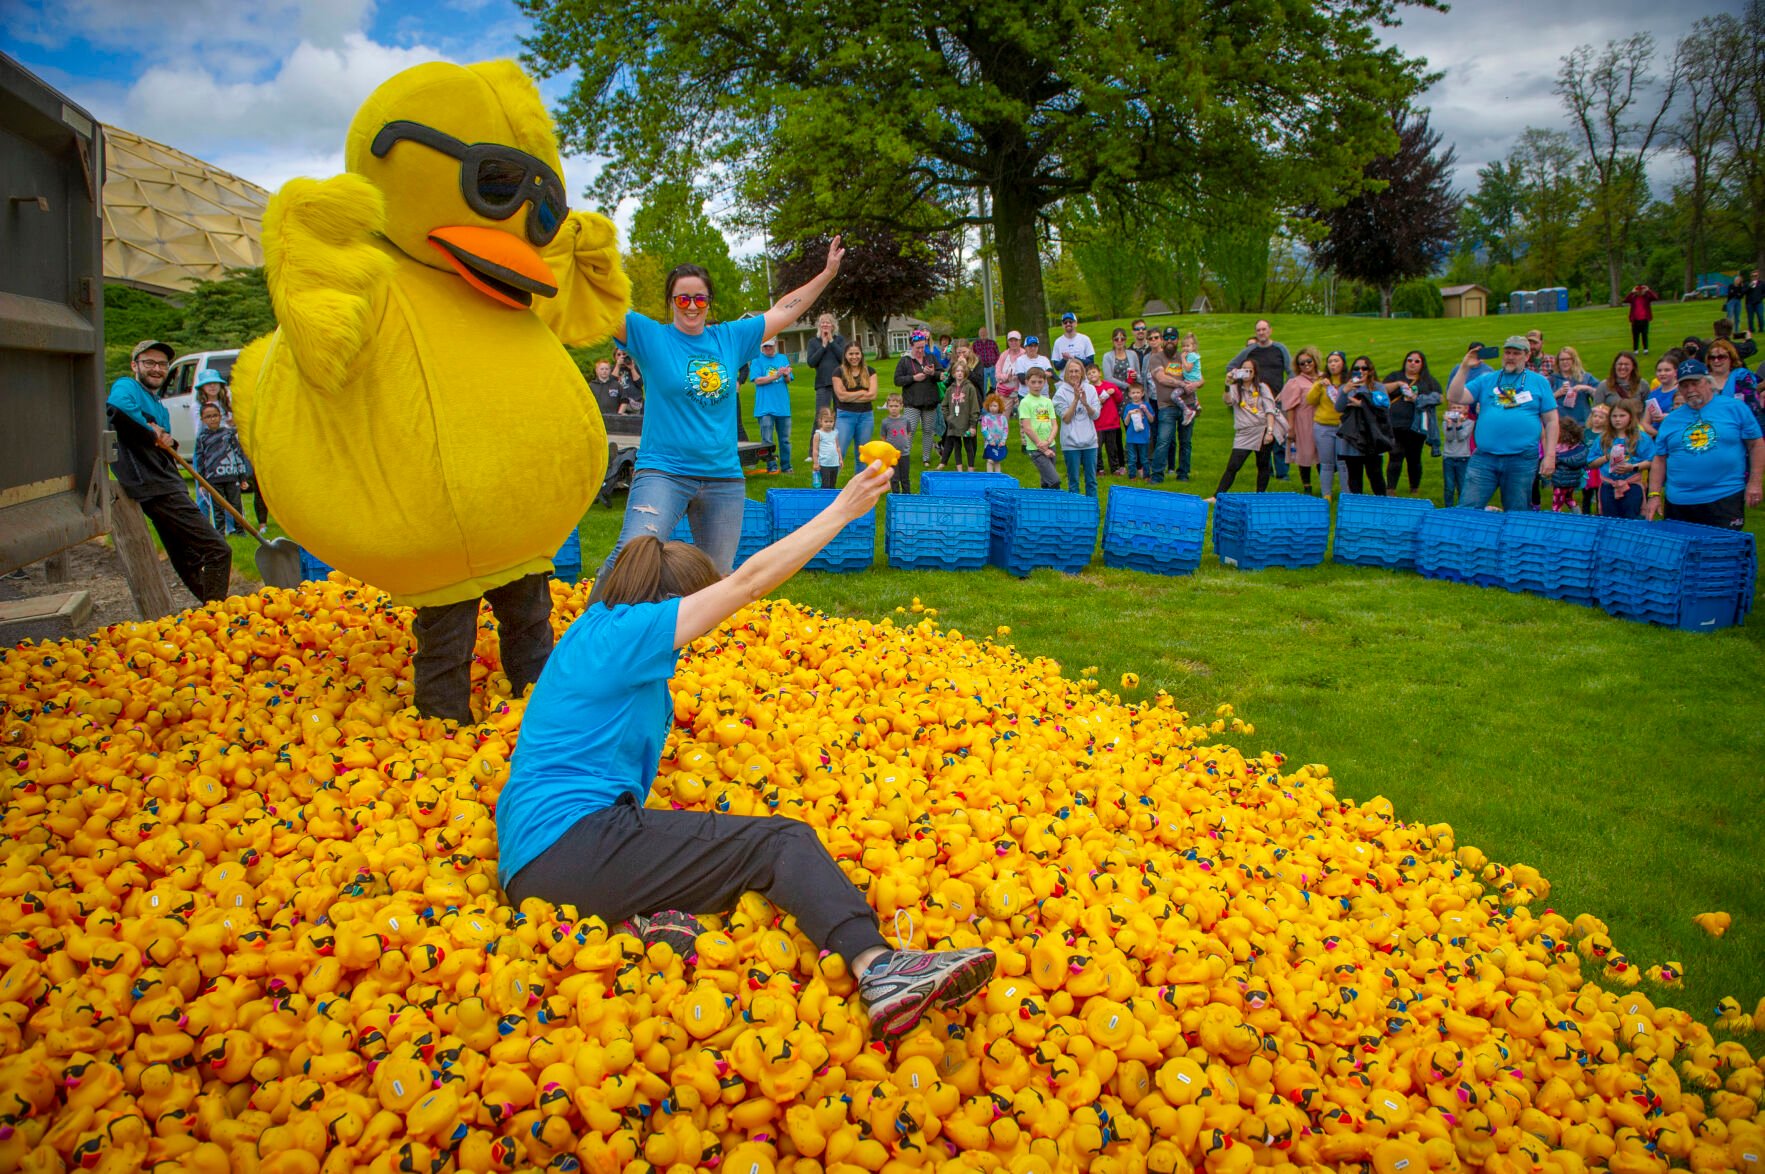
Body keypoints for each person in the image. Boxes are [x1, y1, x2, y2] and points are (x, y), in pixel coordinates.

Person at [498, 467, 997, 1041]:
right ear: (666, 603)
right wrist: (842, 511)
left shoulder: (596, 639)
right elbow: (747, 584)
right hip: (573, 843)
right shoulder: (624, 632)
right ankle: (878, 968)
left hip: (537, 865)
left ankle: (642, 922)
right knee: (783, 841)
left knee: (724, 856)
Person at [594, 240, 845, 587]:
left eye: (700, 299)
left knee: (713, 580)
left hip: (722, 478)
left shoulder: (730, 337)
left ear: (709, 302)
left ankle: (681, 637)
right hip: (664, 472)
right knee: (631, 557)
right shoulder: (650, 335)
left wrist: (827, 274)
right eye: (683, 299)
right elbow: (601, 306)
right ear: (671, 302)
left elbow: (785, 310)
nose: (692, 306)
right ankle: (591, 631)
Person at [106, 340, 233, 603]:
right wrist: (151, 430)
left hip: (168, 482)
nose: (156, 369)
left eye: (162, 364)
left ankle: (210, 614)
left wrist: (168, 438)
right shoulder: (127, 386)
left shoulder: (159, 404)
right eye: (149, 363)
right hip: (154, 486)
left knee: (189, 558)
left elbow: (164, 440)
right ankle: (218, 615)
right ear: (135, 366)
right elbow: (117, 406)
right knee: (218, 550)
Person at [1645, 358, 1764, 529]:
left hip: (1724, 496)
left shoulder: (1734, 408)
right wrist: (1654, 494)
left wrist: (1755, 482)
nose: (1690, 390)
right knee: (1684, 553)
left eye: (1695, 383)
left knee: (1722, 551)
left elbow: (1756, 445)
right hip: (1679, 500)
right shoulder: (1671, 420)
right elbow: (1659, 459)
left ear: (1708, 382)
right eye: (1685, 385)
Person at [1447, 335, 1560, 512]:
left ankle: (1512, 540)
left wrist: (1550, 455)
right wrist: (1464, 367)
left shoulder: (1539, 382)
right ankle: (1466, 539)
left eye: (1516, 353)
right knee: (1468, 508)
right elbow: (1454, 396)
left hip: (1521, 458)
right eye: (1507, 352)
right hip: (1485, 457)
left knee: (1516, 510)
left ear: (1527, 356)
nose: (1510, 357)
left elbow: (1552, 420)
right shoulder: (1487, 379)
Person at [1213, 361, 1287, 497]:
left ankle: (1260, 496)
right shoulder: (1235, 388)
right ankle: (1217, 495)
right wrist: (1227, 384)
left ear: (1255, 373)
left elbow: (1270, 410)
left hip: (1262, 429)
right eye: (1244, 370)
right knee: (1233, 465)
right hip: (1244, 431)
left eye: (1250, 371)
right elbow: (1228, 401)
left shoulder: (1262, 387)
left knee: (1263, 464)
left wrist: (1270, 432)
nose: (1246, 373)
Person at [1145, 328, 1197, 483]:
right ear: (1162, 339)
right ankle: (1157, 475)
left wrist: (1196, 387)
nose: (1169, 340)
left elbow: (1196, 377)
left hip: (1188, 405)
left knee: (1185, 442)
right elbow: (1161, 378)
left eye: (1172, 337)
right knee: (1163, 440)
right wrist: (1181, 383)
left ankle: (1183, 474)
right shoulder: (1156, 358)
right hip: (1167, 405)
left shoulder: (1185, 357)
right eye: (1166, 337)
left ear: (1177, 340)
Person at [1384, 350, 1439, 495]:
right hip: (1395, 424)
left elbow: (1438, 398)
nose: (1412, 364)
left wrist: (1417, 398)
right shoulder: (1395, 376)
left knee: (1414, 458)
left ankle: (1414, 488)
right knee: (1395, 455)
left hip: (1416, 426)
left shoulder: (1427, 381)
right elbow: (1380, 391)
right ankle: (1390, 489)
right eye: (1410, 360)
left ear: (1422, 364)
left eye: (1417, 361)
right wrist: (1397, 384)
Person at [1334, 356, 1391, 496]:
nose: (1361, 371)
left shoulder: (1378, 387)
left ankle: (1381, 505)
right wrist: (1345, 391)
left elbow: (1385, 407)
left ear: (1370, 370)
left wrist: (1362, 404)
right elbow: (1338, 408)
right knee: (1354, 477)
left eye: (1364, 368)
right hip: (1351, 438)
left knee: (1376, 475)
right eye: (1356, 368)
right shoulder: (1346, 387)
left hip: (1372, 436)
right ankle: (1356, 507)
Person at [1589, 399, 1653, 519]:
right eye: (1614, 416)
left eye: (1622, 415)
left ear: (1631, 417)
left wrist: (1633, 467)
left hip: (1631, 485)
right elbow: (1591, 463)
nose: (1617, 419)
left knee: (1631, 519)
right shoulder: (1603, 438)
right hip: (1608, 486)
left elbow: (1651, 461)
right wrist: (1607, 457)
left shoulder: (1640, 438)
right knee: (1609, 519)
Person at [194, 401, 251, 535]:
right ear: (202, 419)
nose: (212, 418)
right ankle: (219, 532)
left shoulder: (229, 434)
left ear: (221, 416)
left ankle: (240, 530)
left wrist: (242, 476)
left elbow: (238, 454)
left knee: (236, 505)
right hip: (213, 478)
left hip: (231, 475)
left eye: (215, 415)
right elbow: (200, 460)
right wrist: (202, 482)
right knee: (217, 507)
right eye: (208, 416)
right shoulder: (202, 438)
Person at [893, 330, 942, 471]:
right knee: (910, 429)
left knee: (928, 430)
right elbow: (897, 380)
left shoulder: (931, 357)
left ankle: (926, 458)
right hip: (912, 402)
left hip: (930, 401)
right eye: (918, 348)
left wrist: (933, 373)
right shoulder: (905, 360)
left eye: (923, 347)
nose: (921, 350)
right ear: (911, 345)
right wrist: (913, 378)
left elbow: (942, 374)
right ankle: (904, 456)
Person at [1053, 358, 1101, 497]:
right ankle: (1076, 512)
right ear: (1066, 373)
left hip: (1090, 442)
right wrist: (1075, 399)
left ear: (1082, 373)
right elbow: (1066, 418)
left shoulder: (1090, 389)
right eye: (1071, 371)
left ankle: (1092, 510)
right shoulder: (1060, 393)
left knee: (1091, 480)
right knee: (1074, 481)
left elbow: (1096, 415)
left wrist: (1085, 403)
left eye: (1077, 371)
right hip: (1071, 443)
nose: (1074, 374)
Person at [1306, 351, 1349, 500]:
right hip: (1323, 426)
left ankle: (1346, 494)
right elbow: (1310, 400)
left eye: (1336, 361)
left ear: (1343, 363)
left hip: (1343, 426)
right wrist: (1318, 385)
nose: (1333, 364)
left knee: (1343, 462)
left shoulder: (1348, 381)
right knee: (1326, 462)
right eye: (1330, 361)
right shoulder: (1322, 381)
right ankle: (1326, 494)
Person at [832, 341, 878, 479]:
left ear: (861, 354)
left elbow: (873, 395)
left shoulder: (870, 371)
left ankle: (859, 487)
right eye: (850, 354)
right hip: (845, 416)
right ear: (845, 355)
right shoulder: (838, 372)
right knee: (839, 452)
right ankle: (829, 486)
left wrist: (850, 395)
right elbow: (841, 397)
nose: (854, 357)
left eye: (857, 353)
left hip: (866, 417)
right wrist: (862, 392)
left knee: (862, 455)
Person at [750, 337, 795, 475]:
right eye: (765, 347)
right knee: (767, 440)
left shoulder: (782, 358)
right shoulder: (756, 360)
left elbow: (788, 380)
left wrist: (786, 375)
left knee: (785, 440)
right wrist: (776, 375)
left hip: (782, 407)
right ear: (761, 347)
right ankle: (771, 466)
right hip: (765, 408)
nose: (768, 349)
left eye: (770, 346)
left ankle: (786, 466)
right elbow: (757, 380)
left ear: (775, 344)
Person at [1280, 346, 1321, 495]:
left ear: (1315, 361)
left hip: (1322, 420)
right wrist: (1291, 427)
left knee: (1323, 455)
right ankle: (1307, 486)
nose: (1306, 365)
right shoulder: (1295, 382)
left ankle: (1325, 487)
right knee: (1305, 454)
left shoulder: (1323, 378)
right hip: (1303, 421)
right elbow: (1290, 406)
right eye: (1301, 363)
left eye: (1308, 361)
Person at [1017, 367, 1061, 489]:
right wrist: (1041, 445)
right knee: (1054, 480)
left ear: (1045, 382)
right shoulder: (1025, 402)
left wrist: (1048, 441)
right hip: (1036, 447)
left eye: (1040, 382)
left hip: (1050, 445)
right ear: (1027, 382)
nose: (1037, 385)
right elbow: (1027, 428)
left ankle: (1045, 505)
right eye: (1033, 382)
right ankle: (1057, 503)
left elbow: (1054, 424)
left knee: (1046, 481)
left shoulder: (1047, 401)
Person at [937, 357, 979, 472]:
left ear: (965, 373)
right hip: (954, 423)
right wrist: (948, 418)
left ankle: (971, 468)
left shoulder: (970, 388)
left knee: (968, 446)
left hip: (966, 422)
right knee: (957, 446)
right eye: (957, 371)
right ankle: (959, 469)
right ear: (953, 373)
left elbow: (975, 407)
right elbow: (944, 405)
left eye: (961, 371)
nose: (959, 373)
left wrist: (973, 424)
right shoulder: (950, 389)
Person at [806, 313, 848, 416]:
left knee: (840, 414)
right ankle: (817, 433)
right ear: (819, 326)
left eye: (827, 322)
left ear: (832, 325)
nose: (825, 325)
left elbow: (844, 359)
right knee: (821, 415)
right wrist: (823, 346)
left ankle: (839, 432)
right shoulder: (813, 342)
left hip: (839, 382)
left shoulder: (839, 340)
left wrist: (831, 341)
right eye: (822, 322)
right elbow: (811, 362)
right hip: (822, 383)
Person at [1089, 362, 1125, 475]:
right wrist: (1100, 399)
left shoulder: (1109, 385)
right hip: (1097, 424)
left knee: (1112, 447)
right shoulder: (1090, 390)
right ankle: (1099, 469)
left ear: (1099, 373)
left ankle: (1115, 468)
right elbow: (1090, 405)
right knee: (1097, 448)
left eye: (1093, 372)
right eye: (1089, 374)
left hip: (1112, 423)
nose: (1092, 375)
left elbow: (1119, 399)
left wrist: (1114, 392)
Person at [1548, 418, 1589, 512]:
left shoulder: (1560, 448)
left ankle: (1555, 519)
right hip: (1572, 481)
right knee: (1569, 498)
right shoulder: (1577, 446)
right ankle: (1578, 515)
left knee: (1557, 502)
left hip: (1561, 481)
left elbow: (1554, 458)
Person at [1552, 346, 1596, 429]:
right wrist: (1557, 393)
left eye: (1568, 359)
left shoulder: (1586, 377)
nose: (1565, 362)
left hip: (1583, 424)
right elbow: (1543, 402)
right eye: (1562, 360)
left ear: (1574, 360)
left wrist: (1586, 388)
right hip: (1560, 425)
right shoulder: (1552, 379)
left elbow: (1600, 396)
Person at [1440, 402, 1472, 508]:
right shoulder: (1446, 422)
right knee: (1449, 487)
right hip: (1448, 457)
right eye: (1454, 408)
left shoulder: (1470, 423)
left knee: (1462, 486)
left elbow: (1461, 436)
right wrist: (1449, 425)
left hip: (1463, 457)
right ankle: (1448, 508)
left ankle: (1462, 507)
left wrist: (1458, 424)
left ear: (1465, 409)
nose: (1456, 410)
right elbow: (1449, 438)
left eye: (1459, 407)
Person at [880, 394, 914, 492]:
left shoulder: (906, 420)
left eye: (896, 406)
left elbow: (908, 432)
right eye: (891, 406)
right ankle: (895, 496)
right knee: (894, 478)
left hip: (904, 453)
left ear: (901, 406)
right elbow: (883, 436)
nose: (893, 409)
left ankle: (906, 497)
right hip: (892, 455)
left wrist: (906, 443)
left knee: (905, 477)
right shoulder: (885, 422)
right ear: (887, 407)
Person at [1121, 381, 1154, 480]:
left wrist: (1146, 411)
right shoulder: (1128, 407)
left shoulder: (1146, 405)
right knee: (1131, 459)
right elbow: (1126, 423)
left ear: (1142, 393)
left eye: (1138, 392)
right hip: (1131, 437)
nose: (1135, 395)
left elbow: (1151, 420)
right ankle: (1132, 476)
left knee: (1144, 458)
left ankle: (1147, 476)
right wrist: (1129, 414)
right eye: (1133, 393)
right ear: (1130, 395)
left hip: (1143, 437)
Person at [1644, 355, 1681, 435]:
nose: (1662, 373)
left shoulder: (1681, 391)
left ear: (1675, 372)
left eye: (1667, 370)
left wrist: (1668, 417)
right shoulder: (1653, 394)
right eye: (1659, 371)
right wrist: (1658, 435)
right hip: (1657, 435)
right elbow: (1645, 422)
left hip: (1676, 433)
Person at [994, 329, 1027, 410]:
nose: (1013, 343)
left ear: (1020, 341)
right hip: (1004, 391)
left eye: (1016, 340)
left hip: (1021, 391)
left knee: (1024, 419)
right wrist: (1006, 377)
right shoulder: (1004, 355)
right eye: (1011, 340)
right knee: (1002, 419)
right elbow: (997, 374)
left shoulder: (1025, 354)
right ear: (1008, 342)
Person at [1624, 282, 1659, 353]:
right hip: (1635, 319)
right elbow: (1625, 300)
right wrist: (1632, 292)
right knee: (1635, 335)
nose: (1640, 292)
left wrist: (1648, 290)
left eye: (1641, 290)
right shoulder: (1633, 298)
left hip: (1645, 319)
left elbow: (1655, 298)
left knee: (1645, 335)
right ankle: (1635, 350)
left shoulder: (1647, 297)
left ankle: (1645, 349)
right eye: (1638, 290)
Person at [980, 394, 1010, 473]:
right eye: (990, 406)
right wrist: (990, 440)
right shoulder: (985, 418)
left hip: (999, 443)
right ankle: (990, 477)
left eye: (995, 406)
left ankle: (998, 476)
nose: (992, 408)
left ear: (999, 406)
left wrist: (1003, 441)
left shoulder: (1003, 418)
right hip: (989, 443)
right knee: (990, 460)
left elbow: (1005, 430)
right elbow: (984, 430)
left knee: (997, 460)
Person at [812, 408, 842, 488]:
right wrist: (815, 463)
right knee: (826, 484)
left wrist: (840, 459)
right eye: (826, 421)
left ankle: (832, 499)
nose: (829, 424)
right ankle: (824, 499)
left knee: (833, 484)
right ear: (820, 421)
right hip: (824, 463)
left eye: (831, 421)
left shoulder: (835, 433)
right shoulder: (818, 434)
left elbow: (838, 447)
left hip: (834, 463)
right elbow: (815, 450)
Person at [972, 327, 1000, 394]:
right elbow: (973, 356)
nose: (983, 334)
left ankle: (995, 398)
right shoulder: (975, 344)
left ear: (987, 333)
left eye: (984, 333)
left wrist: (995, 364)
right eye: (981, 333)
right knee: (983, 386)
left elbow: (998, 354)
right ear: (979, 334)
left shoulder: (993, 343)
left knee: (995, 385)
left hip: (992, 367)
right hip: (982, 368)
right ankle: (984, 400)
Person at [1747, 269, 1765, 333]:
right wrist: (1749, 287)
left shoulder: (1762, 283)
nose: (1754, 277)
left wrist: (1761, 297)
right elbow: (1744, 292)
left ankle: (1761, 329)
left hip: (1758, 302)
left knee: (1760, 316)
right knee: (1750, 318)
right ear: (1751, 276)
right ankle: (1751, 329)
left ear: (1758, 276)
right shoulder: (1748, 283)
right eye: (1753, 276)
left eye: (1756, 275)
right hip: (1749, 303)